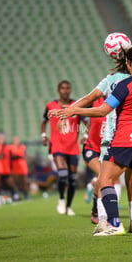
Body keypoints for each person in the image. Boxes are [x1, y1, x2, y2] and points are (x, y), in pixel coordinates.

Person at [50, 37, 132, 234]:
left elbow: (102, 110)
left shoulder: (121, 84)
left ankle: (113, 224)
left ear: (127, 62)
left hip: (122, 138)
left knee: (104, 180)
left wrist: (73, 111)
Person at [41, 80, 88, 216]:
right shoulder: (51, 106)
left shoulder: (76, 106)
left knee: (72, 179)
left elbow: (87, 122)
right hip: (57, 146)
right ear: (58, 90)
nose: (65, 90)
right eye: (63, 88)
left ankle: (69, 206)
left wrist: (86, 135)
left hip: (72, 147)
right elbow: (44, 121)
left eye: (68, 88)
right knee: (63, 174)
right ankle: (61, 199)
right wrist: (44, 135)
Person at [0, 133, 18, 201]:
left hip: (6, 169)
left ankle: (15, 194)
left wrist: (12, 167)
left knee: (9, 182)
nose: (1, 140)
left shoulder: (8, 147)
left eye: (2, 139)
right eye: (0, 139)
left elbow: (12, 157)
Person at [9, 136, 29, 200]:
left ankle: (26, 194)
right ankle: (16, 195)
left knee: (24, 181)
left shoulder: (22, 146)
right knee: (15, 181)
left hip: (22, 166)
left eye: (17, 140)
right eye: (14, 140)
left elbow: (22, 155)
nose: (16, 141)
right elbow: (14, 155)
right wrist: (19, 155)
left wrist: (18, 155)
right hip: (15, 166)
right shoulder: (11, 147)